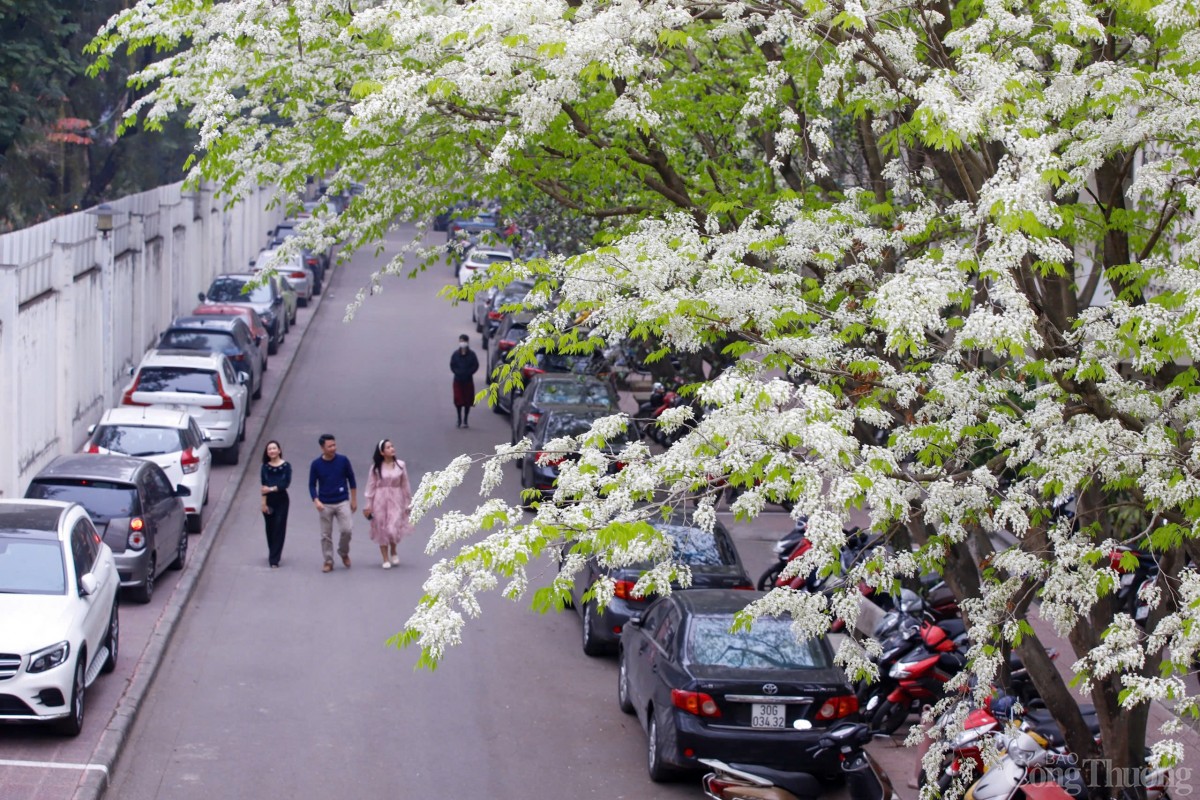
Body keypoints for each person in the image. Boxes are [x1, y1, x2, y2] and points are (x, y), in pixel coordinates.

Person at [362, 439, 415, 569]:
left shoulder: (400, 465)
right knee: (381, 527)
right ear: (382, 452)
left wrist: (409, 502)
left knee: (393, 527)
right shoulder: (375, 468)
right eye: (388, 447)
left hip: (397, 498)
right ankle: (385, 558)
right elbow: (371, 487)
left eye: (392, 446)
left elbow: (405, 484)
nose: (391, 448)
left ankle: (394, 549)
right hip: (380, 499)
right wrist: (368, 505)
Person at [308, 433, 357, 572]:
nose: (333, 448)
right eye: (329, 446)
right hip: (325, 503)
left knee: (347, 529)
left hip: (342, 501)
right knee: (325, 535)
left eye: (334, 445)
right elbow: (312, 485)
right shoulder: (316, 464)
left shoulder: (343, 461)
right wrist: (316, 500)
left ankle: (343, 551)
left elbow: (351, 479)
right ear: (322, 448)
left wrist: (354, 499)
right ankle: (328, 560)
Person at [260, 440, 291, 568]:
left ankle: (274, 559)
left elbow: (285, 483)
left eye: (274, 448)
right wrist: (263, 504)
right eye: (269, 449)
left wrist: (271, 489)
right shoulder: (265, 467)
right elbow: (263, 486)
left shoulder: (286, 466)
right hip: (269, 500)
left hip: (282, 500)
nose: (272, 451)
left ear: (279, 450)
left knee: (279, 527)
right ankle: (273, 550)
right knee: (270, 528)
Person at [450, 333, 480, 428]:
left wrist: (469, 372)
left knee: (467, 401)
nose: (462, 343)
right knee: (458, 400)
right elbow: (452, 365)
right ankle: (459, 418)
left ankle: (465, 419)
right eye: (461, 341)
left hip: (468, 380)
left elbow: (475, 365)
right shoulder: (455, 354)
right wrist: (457, 372)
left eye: (464, 341)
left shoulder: (472, 355)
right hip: (458, 380)